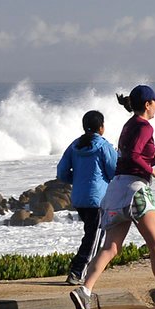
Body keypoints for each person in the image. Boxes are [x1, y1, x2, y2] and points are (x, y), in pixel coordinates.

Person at [68, 85, 155, 309]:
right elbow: (134, 157)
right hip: (136, 192)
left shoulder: (129, 126)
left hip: (116, 190)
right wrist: (153, 171)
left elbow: (130, 159)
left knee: (111, 247)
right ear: (147, 104)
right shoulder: (144, 126)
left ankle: (84, 291)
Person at [56, 110, 118, 285]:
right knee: (93, 238)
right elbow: (114, 171)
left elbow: (61, 172)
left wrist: (75, 180)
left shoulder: (75, 145)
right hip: (97, 199)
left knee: (91, 235)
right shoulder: (104, 146)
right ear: (101, 128)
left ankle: (84, 271)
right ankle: (77, 273)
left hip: (79, 198)